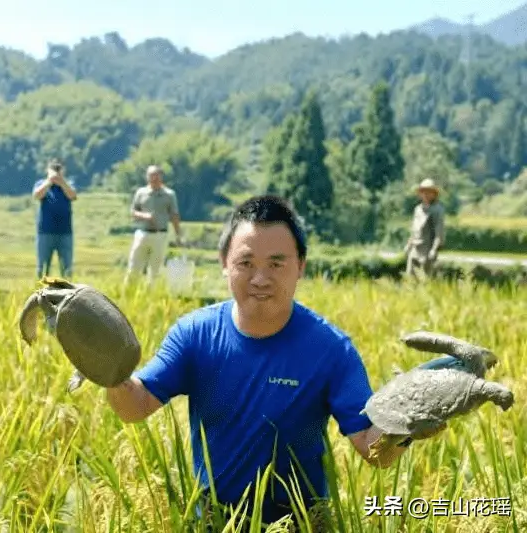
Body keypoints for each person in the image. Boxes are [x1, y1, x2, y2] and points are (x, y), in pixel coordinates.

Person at [105, 195, 446, 529]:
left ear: (301, 266)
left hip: (301, 523)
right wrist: (107, 369)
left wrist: (408, 421)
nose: (260, 279)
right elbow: (134, 405)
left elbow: (373, 450)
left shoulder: (331, 349)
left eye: (276, 264)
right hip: (214, 521)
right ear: (225, 262)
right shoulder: (195, 334)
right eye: (246, 263)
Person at [124, 165, 183, 284]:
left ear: (161, 177)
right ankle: (129, 291)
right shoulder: (141, 192)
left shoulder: (169, 194)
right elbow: (133, 212)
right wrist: (145, 216)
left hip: (160, 234)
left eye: (157, 175)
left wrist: (178, 235)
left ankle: (152, 294)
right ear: (147, 177)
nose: (154, 179)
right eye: (151, 175)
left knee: (155, 269)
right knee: (134, 265)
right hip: (142, 233)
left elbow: (174, 215)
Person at [32, 159, 77, 279]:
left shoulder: (69, 184)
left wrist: (62, 182)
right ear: (47, 170)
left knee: (67, 269)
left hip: (65, 233)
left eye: (59, 168)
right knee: (42, 268)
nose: (56, 171)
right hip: (45, 232)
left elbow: (72, 195)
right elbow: (37, 195)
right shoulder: (41, 183)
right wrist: (49, 182)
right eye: (54, 168)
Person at [404, 178, 446, 280]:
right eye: (423, 192)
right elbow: (414, 231)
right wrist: (408, 245)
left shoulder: (437, 210)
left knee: (424, 280)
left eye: (428, 192)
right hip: (415, 249)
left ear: (434, 194)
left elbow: (438, 232)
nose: (425, 194)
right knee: (410, 279)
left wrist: (434, 249)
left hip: (427, 250)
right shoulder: (418, 209)